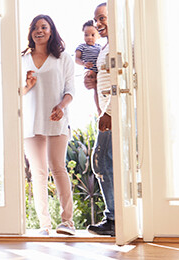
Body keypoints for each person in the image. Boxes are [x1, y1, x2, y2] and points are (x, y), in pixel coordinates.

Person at [20, 14, 76, 236]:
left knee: (57, 167)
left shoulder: (63, 58)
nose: (39, 30)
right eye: (35, 27)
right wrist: (27, 85)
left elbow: (71, 90)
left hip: (56, 118)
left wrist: (61, 107)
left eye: (44, 27)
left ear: (51, 31)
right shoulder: (22, 59)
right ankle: (44, 224)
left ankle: (67, 222)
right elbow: (18, 92)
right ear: (31, 32)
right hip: (31, 120)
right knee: (38, 172)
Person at [87, 2, 116, 237]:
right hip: (107, 110)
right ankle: (115, 217)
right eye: (97, 19)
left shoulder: (124, 44)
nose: (98, 23)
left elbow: (126, 81)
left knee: (101, 161)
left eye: (103, 18)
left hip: (116, 113)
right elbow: (106, 82)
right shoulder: (106, 47)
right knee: (103, 162)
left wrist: (110, 113)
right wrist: (93, 81)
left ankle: (114, 218)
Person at [75, 20, 103, 115]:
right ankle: (98, 109)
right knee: (90, 75)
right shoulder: (82, 46)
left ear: (98, 36)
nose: (89, 37)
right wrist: (84, 63)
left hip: (98, 71)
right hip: (89, 69)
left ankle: (101, 108)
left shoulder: (100, 47)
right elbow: (76, 59)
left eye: (92, 35)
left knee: (98, 89)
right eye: (86, 35)